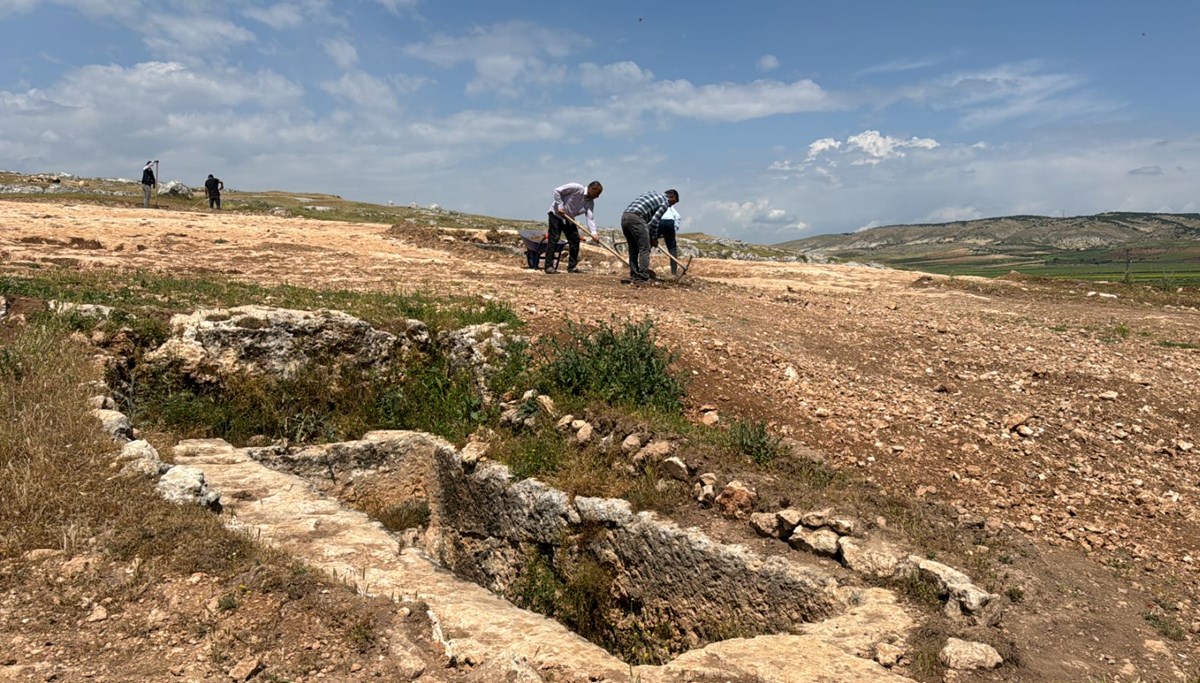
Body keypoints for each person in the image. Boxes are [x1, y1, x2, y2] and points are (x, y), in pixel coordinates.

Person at [620, 189, 679, 284]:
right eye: (673, 203)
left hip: (625, 216)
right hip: (637, 218)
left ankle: (634, 275)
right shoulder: (665, 202)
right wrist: (654, 238)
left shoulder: (651, 193)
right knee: (645, 249)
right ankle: (643, 277)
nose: (671, 206)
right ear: (671, 197)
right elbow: (655, 221)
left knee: (633, 249)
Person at [545, 181, 602, 273]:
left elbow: (590, 218)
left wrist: (594, 233)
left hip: (569, 218)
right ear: (592, 189)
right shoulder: (576, 188)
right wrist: (560, 206)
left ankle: (572, 267)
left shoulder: (590, 203)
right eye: (597, 193)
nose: (598, 196)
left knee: (575, 240)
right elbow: (557, 191)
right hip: (556, 214)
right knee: (554, 239)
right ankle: (548, 267)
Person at [658, 204, 682, 275]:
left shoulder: (656, 203)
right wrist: (674, 229)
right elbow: (677, 216)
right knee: (672, 249)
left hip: (659, 221)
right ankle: (674, 273)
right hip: (670, 222)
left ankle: (643, 269)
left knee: (647, 246)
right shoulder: (669, 205)